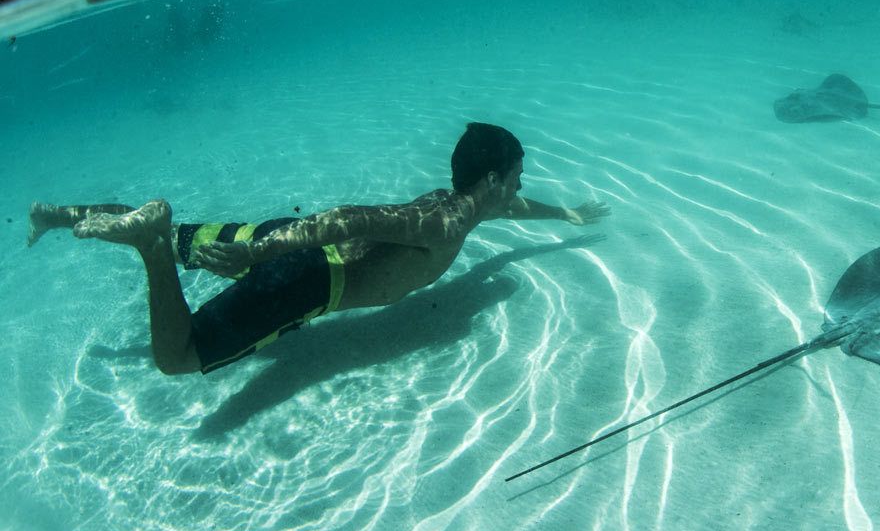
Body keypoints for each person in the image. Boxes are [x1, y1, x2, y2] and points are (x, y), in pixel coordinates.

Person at [26, 122, 610, 377]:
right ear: (490, 181)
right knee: (179, 357)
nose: (520, 187)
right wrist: (261, 259)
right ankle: (149, 245)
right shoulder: (446, 225)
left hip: (291, 246)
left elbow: (517, 209)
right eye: (516, 176)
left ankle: (55, 214)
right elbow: (347, 218)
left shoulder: (462, 203)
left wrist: (569, 215)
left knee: (187, 239)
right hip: (303, 281)